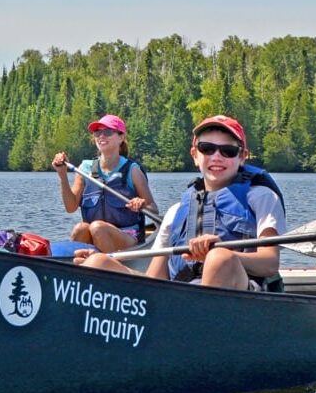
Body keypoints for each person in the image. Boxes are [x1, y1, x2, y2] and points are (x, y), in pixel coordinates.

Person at [76, 115, 285, 289]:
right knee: (97, 263)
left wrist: (220, 252)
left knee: (219, 259)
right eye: (207, 149)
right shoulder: (176, 211)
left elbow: (269, 264)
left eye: (228, 151)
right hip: (183, 294)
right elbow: (154, 279)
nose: (216, 157)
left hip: (239, 295)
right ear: (195, 155)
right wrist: (102, 262)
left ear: (242, 157)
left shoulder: (261, 197)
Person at [51, 114, 159, 252]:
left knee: (98, 227)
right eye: (97, 132)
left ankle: (107, 269)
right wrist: (62, 175)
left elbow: (153, 208)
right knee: (81, 228)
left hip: (128, 235)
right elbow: (70, 207)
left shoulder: (132, 170)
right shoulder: (85, 168)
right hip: (95, 232)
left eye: (107, 132)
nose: (101, 136)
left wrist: (142, 204)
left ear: (121, 138)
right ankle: (79, 269)